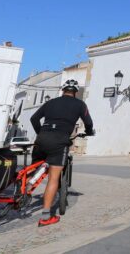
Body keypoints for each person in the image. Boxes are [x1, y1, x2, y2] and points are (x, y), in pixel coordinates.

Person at [30, 79, 94, 227]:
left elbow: (34, 118)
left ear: (63, 90)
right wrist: (89, 132)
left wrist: (41, 134)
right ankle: (46, 217)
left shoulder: (51, 102)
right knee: (53, 178)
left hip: (41, 139)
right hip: (59, 142)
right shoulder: (80, 105)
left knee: (32, 170)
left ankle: (21, 191)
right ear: (75, 92)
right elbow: (89, 123)